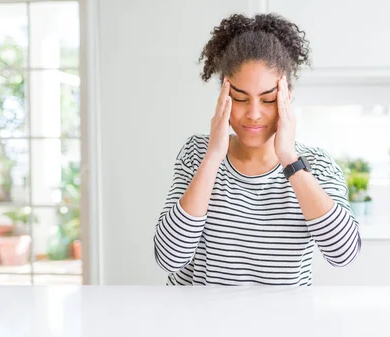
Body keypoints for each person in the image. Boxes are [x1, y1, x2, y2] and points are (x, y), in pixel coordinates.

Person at [153, 13, 361, 286]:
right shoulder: (197, 154)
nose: (253, 114)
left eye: (268, 99)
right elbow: (169, 258)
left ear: (287, 96)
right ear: (223, 96)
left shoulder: (316, 165)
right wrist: (214, 156)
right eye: (240, 98)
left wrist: (289, 158)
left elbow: (343, 254)